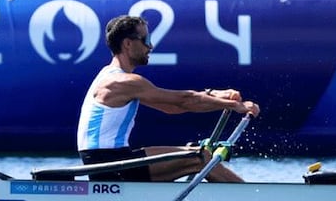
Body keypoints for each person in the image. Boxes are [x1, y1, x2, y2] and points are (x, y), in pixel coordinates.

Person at [77, 15, 260, 182]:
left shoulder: (111, 77)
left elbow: (171, 107)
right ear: (127, 44)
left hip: (112, 160)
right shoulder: (123, 81)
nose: (151, 46)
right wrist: (236, 106)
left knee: (195, 155)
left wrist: (214, 94)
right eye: (146, 40)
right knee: (200, 158)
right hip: (109, 164)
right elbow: (184, 100)